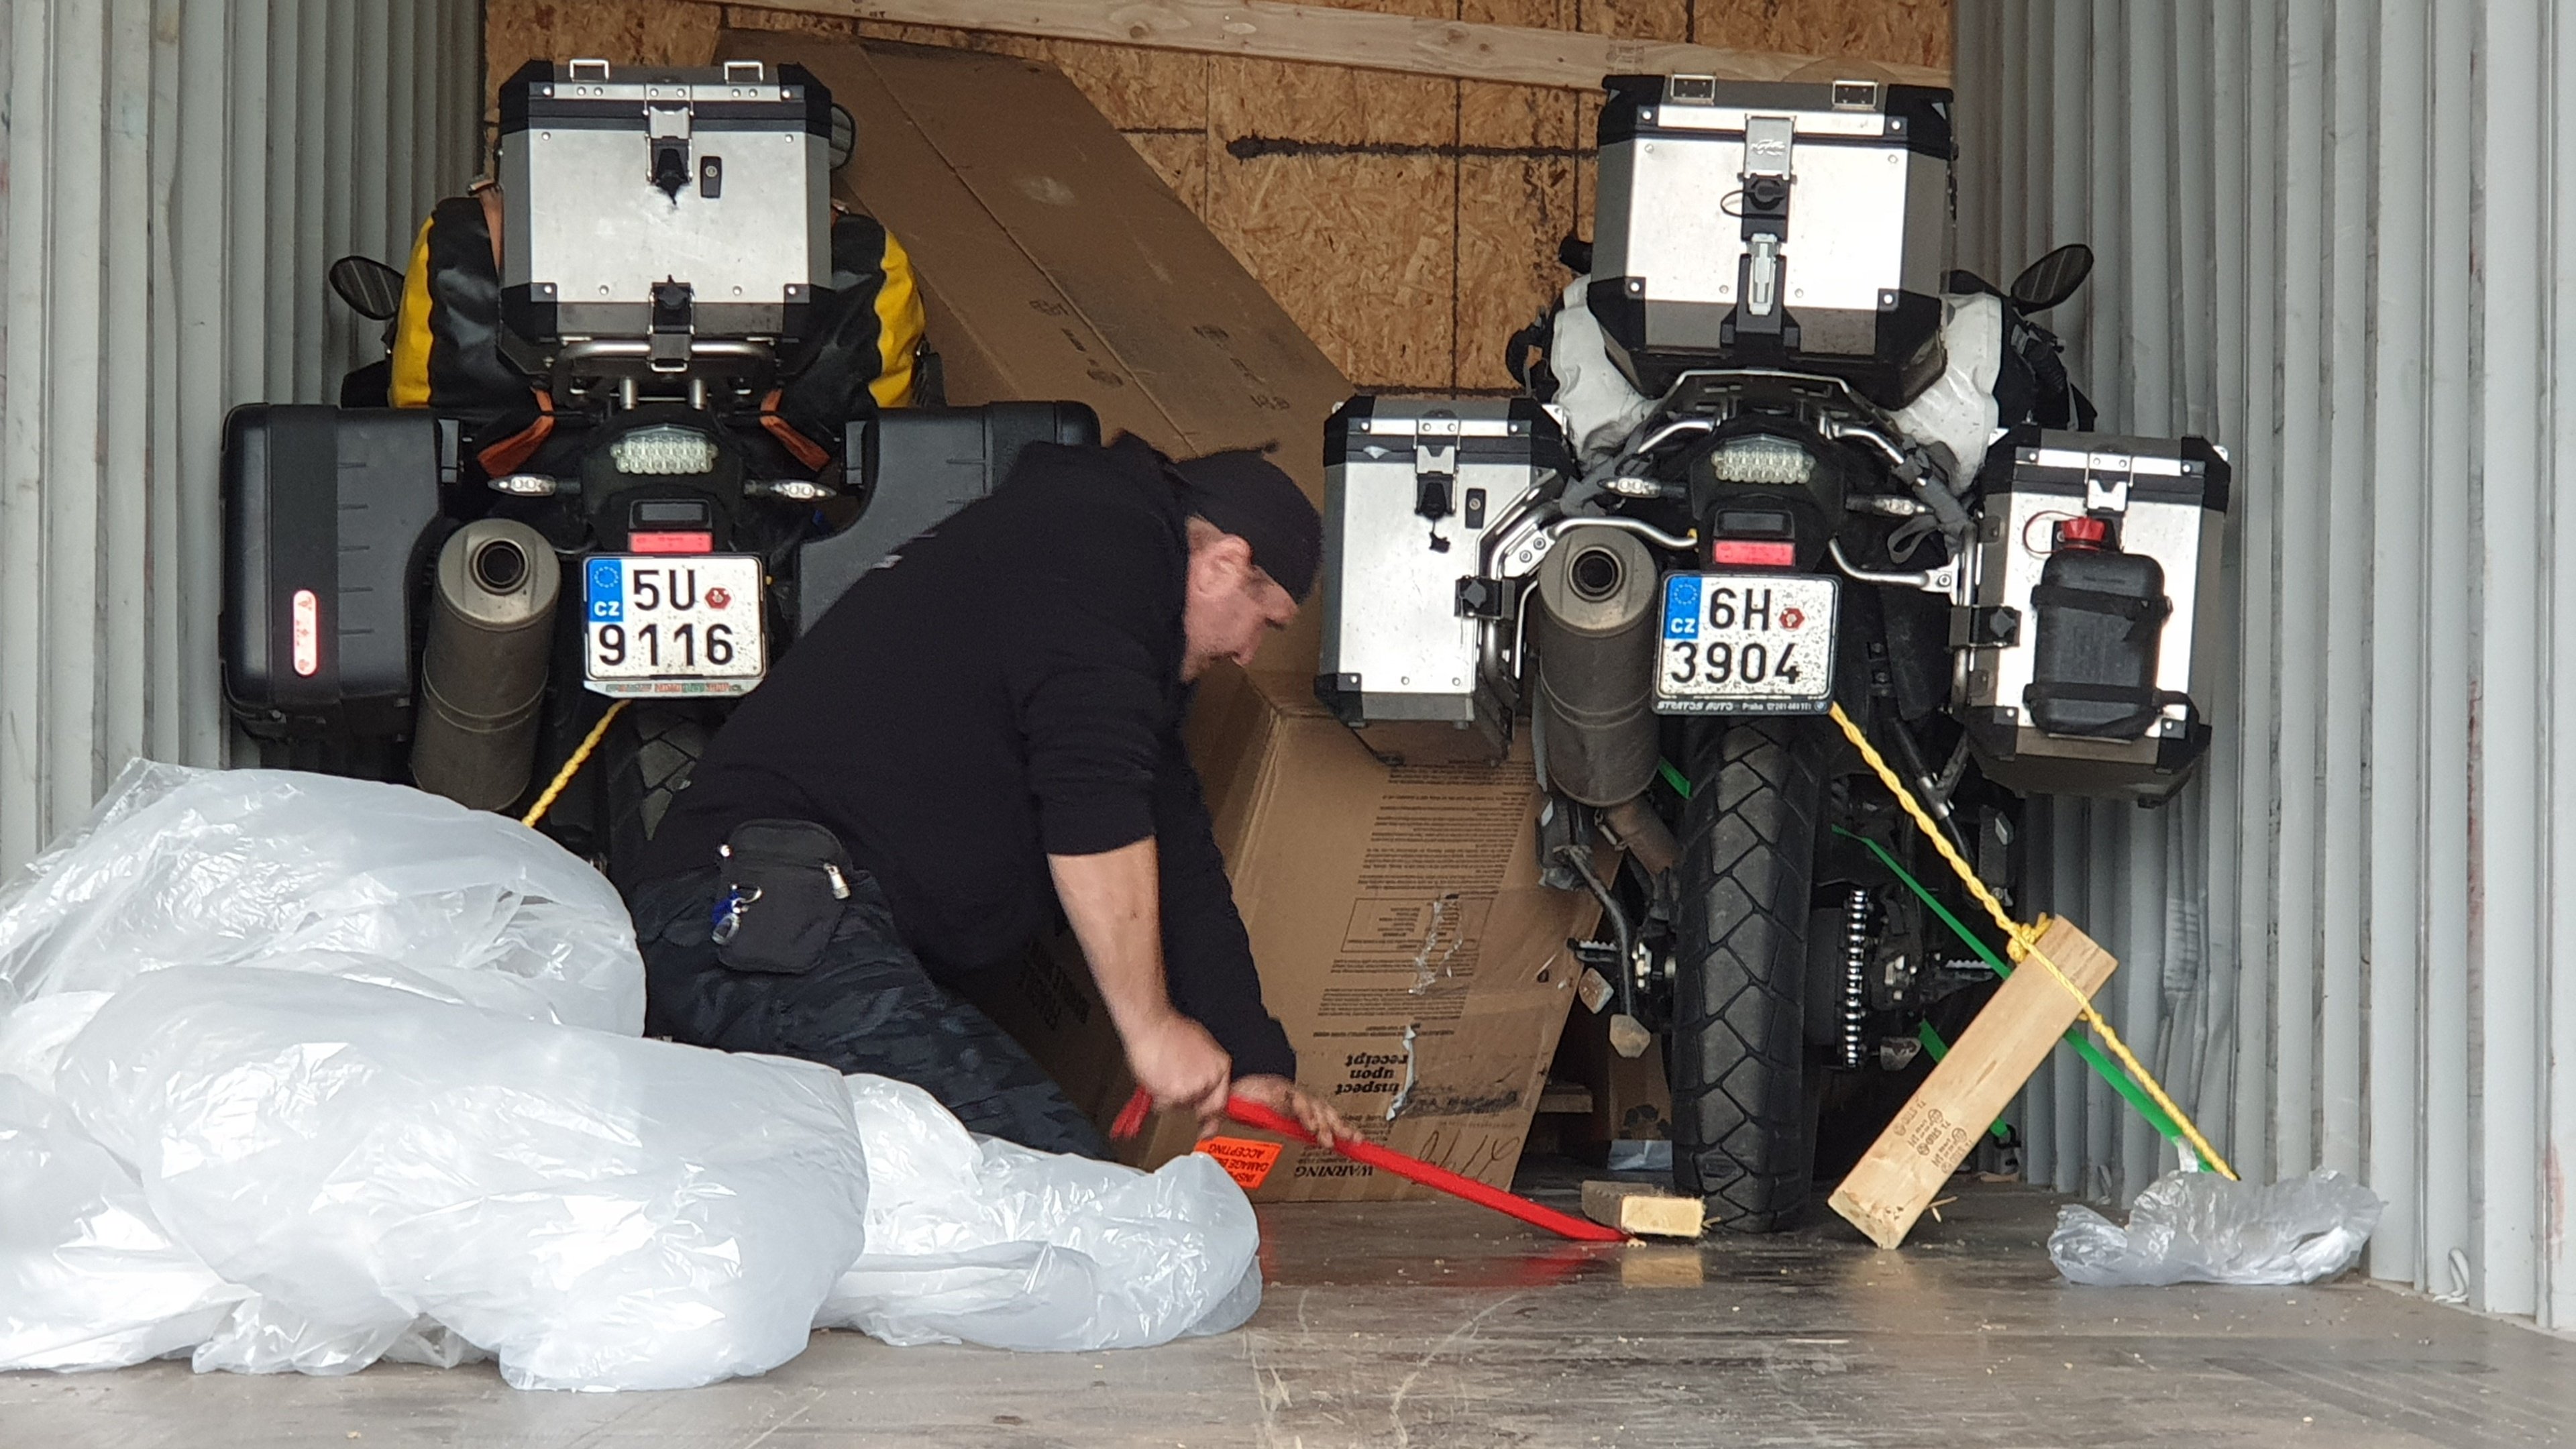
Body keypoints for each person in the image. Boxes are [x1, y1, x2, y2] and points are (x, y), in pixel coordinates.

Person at [625, 433, 1353, 1158]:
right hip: (755, 916)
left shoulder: (1099, 612)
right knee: (1056, 1186)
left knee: (1042, 1183)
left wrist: (1253, 1059)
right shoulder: (1100, 549)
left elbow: (1176, 852)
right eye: (1266, 622)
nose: (1248, 653)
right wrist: (1152, 1028)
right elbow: (1094, 804)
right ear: (1224, 565)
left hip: (809, 927)